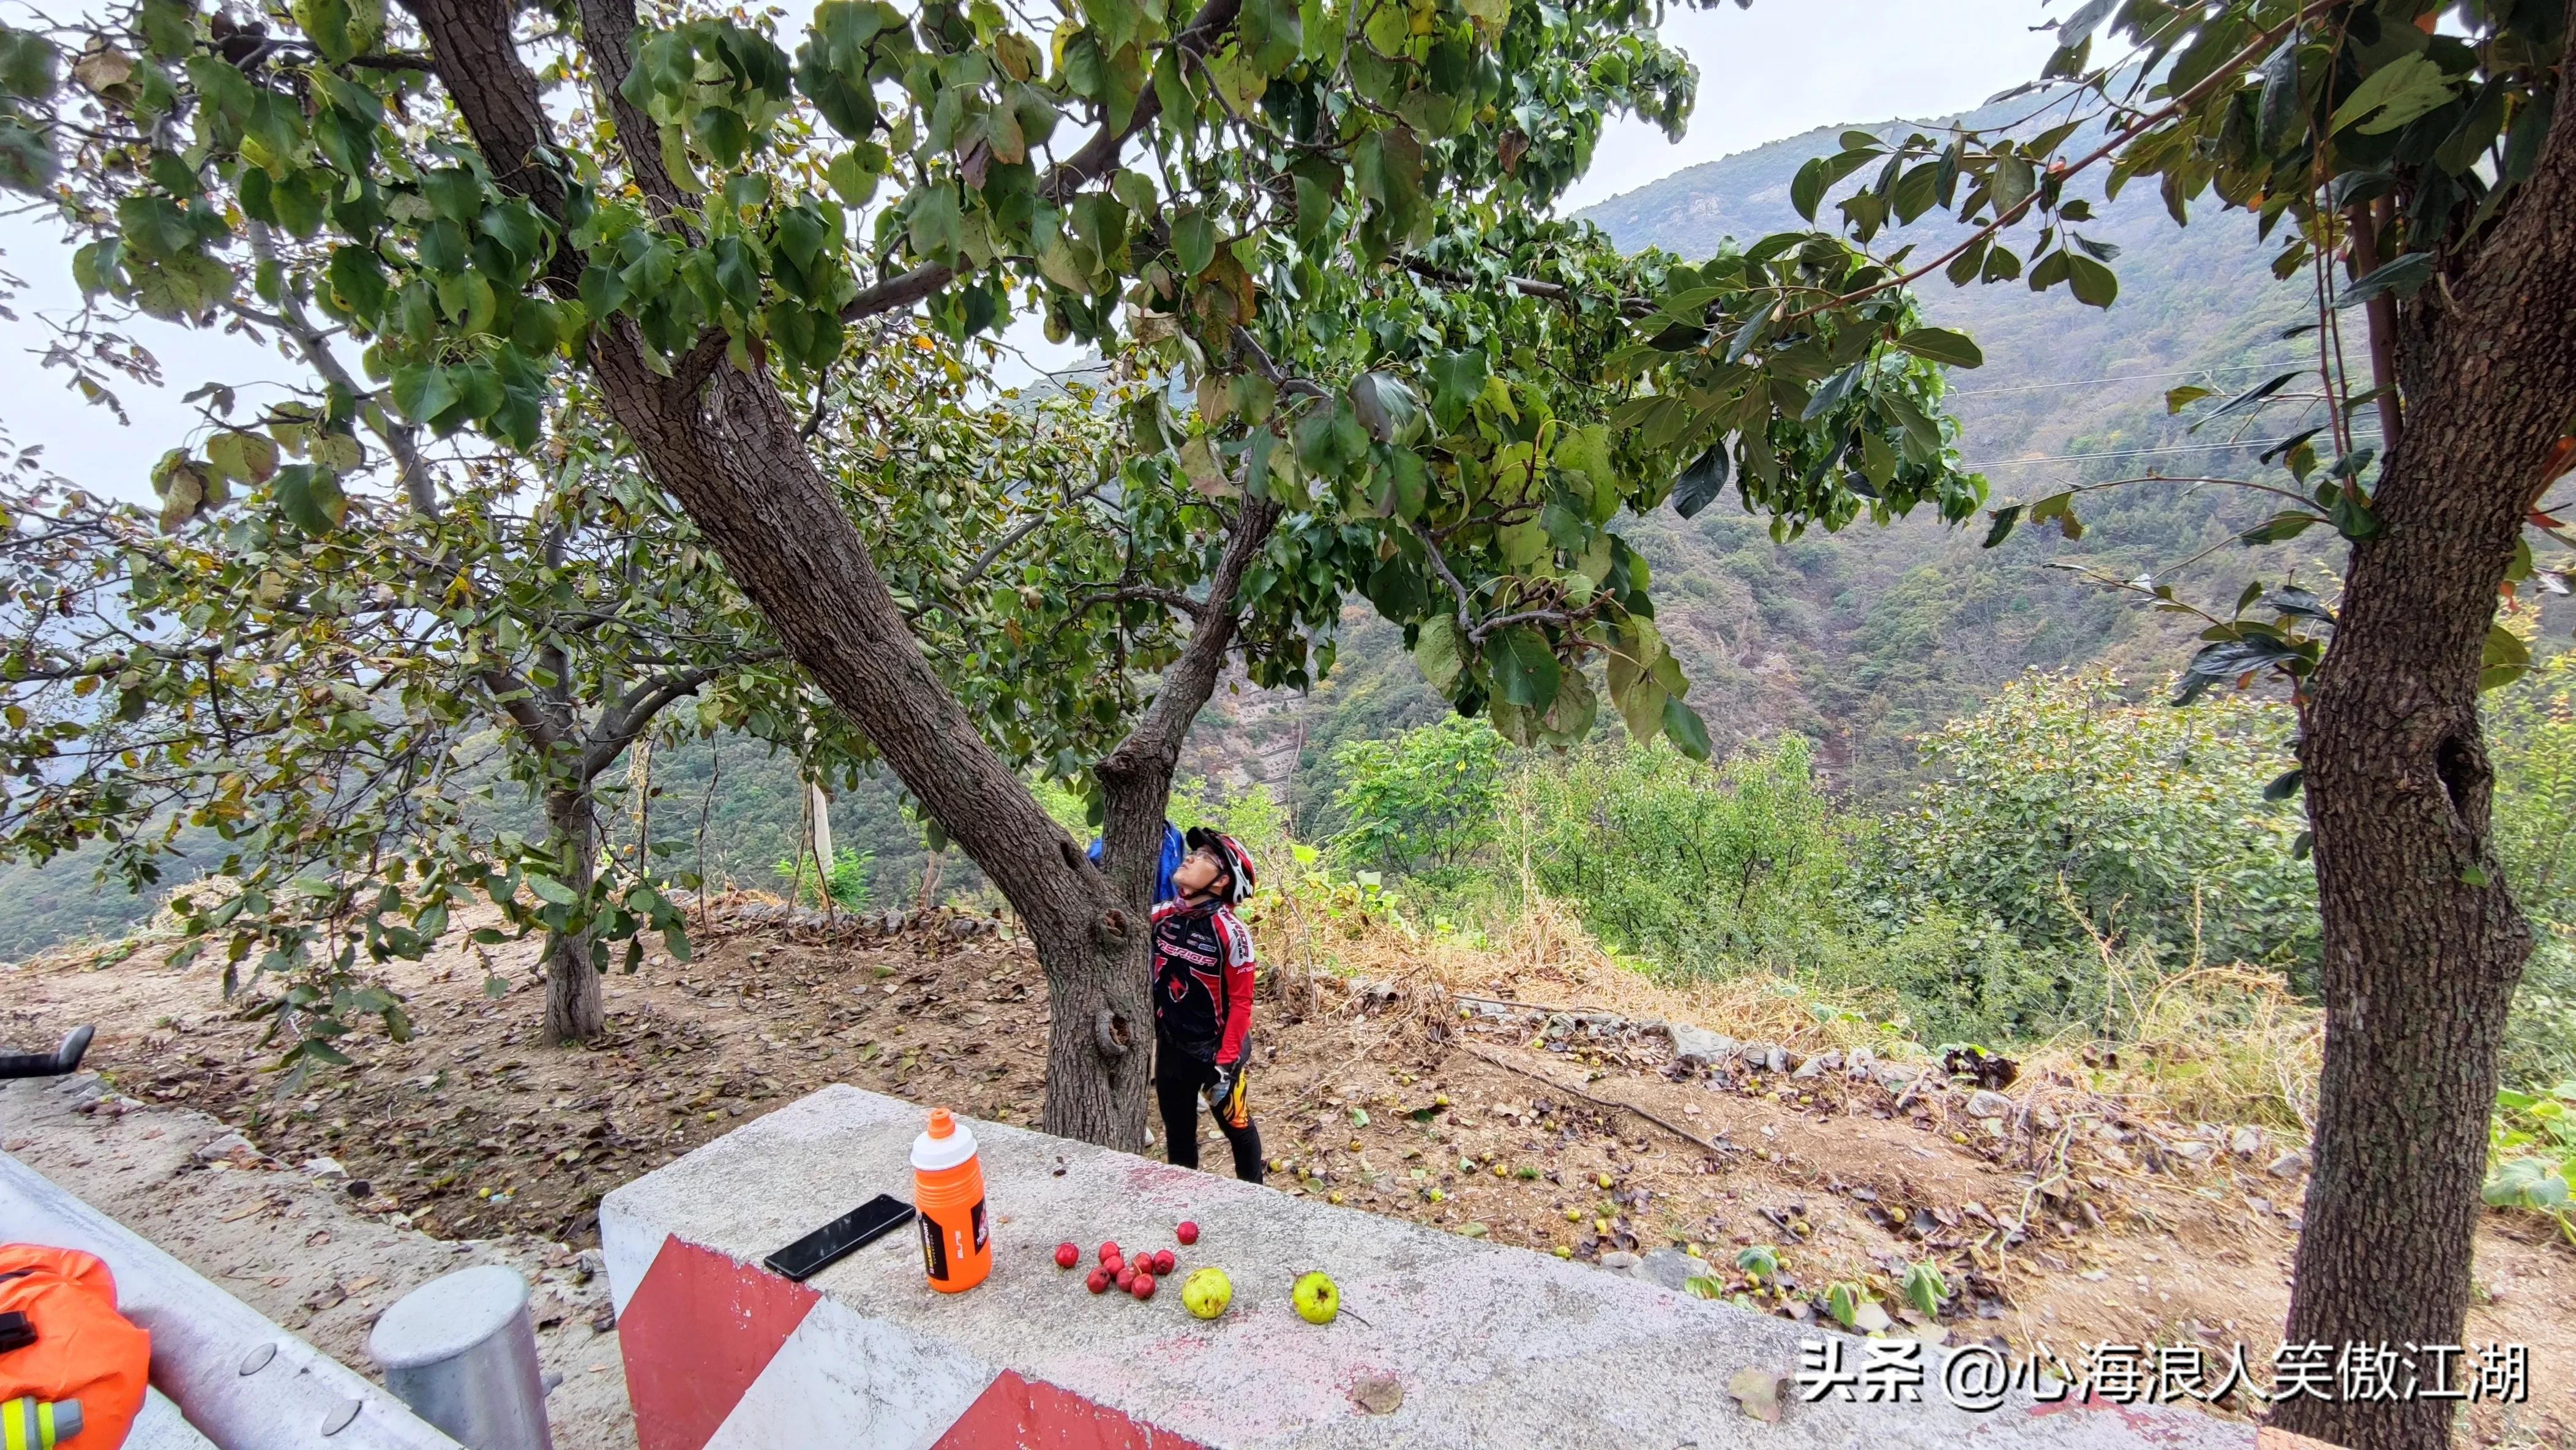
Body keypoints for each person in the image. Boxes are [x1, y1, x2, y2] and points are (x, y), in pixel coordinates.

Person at [1150, 827, 1264, 1182]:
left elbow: (1243, 1002)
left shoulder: (1232, 932)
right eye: (1193, 852)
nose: (1189, 858)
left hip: (1215, 1052)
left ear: (1222, 880)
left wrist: (1225, 1064)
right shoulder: (1162, 915)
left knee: (1238, 1129)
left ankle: (1255, 1197)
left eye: (1204, 857)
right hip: (1171, 1047)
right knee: (1178, 1135)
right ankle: (1186, 1199)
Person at [1086, 821, 1186, 905]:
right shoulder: (1120, 835)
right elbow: (1094, 861)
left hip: (1164, 909)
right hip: (1127, 904)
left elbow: (1179, 873)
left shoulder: (1174, 836)